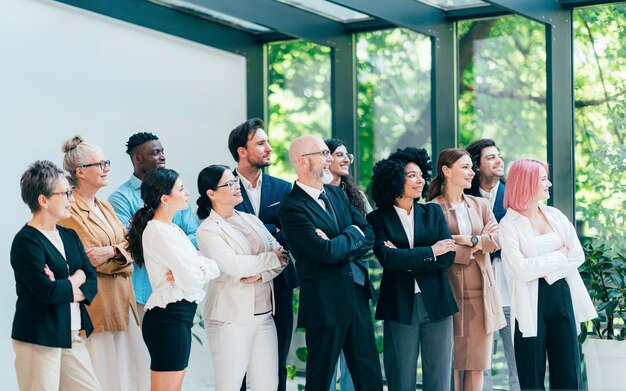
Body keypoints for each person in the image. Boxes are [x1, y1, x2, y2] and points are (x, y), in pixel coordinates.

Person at [278, 135, 383, 391]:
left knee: (369, 374)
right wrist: (351, 235)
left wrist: (342, 240)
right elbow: (323, 251)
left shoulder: (337, 194)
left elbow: (368, 232)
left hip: (357, 294)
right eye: (323, 154)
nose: (329, 160)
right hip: (324, 302)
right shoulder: (291, 208)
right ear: (303, 162)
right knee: (321, 378)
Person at [59, 135, 149, 391]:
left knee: (132, 375)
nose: (106, 168)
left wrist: (112, 251)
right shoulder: (69, 209)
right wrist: (121, 255)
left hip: (123, 302)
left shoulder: (104, 206)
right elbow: (89, 260)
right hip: (99, 307)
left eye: (106, 162)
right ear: (80, 172)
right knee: (104, 376)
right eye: (100, 164)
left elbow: (133, 245)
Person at [500, 159, 596, 390]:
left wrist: (544, 270)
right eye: (543, 179)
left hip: (562, 295)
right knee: (531, 375)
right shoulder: (509, 224)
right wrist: (557, 257)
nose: (549, 183)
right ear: (527, 182)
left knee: (569, 373)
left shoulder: (555, 215)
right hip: (530, 304)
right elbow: (520, 270)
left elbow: (576, 255)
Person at [367, 147, 458, 391]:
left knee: (439, 378)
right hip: (400, 304)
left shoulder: (432, 211)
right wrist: (430, 251)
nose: (420, 181)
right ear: (395, 179)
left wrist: (405, 256)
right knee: (401, 378)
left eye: (421, 175)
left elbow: (448, 255)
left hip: (437, 302)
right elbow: (388, 259)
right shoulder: (378, 219)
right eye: (412, 175)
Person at [195, 165, 289, 390]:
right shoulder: (208, 230)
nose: (237, 186)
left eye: (235, 180)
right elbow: (234, 266)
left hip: (265, 315)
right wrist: (270, 259)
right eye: (229, 184)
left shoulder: (251, 219)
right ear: (212, 194)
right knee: (230, 384)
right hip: (231, 318)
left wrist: (261, 275)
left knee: (267, 385)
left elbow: (283, 256)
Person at [126, 168, 220, 390]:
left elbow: (212, 266)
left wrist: (197, 265)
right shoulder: (157, 230)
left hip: (177, 318)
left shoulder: (174, 230)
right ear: (165, 198)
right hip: (168, 318)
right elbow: (192, 279)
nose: (187, 192)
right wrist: (196, 266)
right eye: (181, 188)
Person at [11, 160, 100, 391]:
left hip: (72, 333)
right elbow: (47, 292)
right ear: (44, 200)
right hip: (38, 338)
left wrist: (68, 284)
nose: (72, 199)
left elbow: (92, 281)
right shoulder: (26, 242)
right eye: (66, 193)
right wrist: (75, 278)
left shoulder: (70, 236)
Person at [427, 148, 505, 391]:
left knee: (476, 365)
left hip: (482, 296)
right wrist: (476, 243)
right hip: (449, 294)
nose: (472, 172)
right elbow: (440, 248)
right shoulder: (432, 208)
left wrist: (466, 240)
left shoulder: (480, 205)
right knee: (451, 365)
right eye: (465, 167)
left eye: (472, 167)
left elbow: (496, 239)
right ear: (446, 171)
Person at [228, 118, 296, 391]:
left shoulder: (283, 188)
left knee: (277, 359)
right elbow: (225, 231)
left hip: (279, 284)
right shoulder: (224, 186)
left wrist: (255, 230)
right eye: (261, 143)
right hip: (240, 286)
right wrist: (271, 229)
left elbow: (291, 232)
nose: (269, 148)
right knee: (239, 363)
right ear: (242, 150)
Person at [108, 131, 200, 322]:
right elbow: (132, 243)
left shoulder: (176, 193)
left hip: (179, 291)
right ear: (138, 159)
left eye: (162, 151)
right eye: (155, 153)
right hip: (143, 292)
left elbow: (195, 234)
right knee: (145, 351)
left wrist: (173, 252)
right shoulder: (121, 198)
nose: (162, 156)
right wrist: (175, 251)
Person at [465, 139, 520, 391]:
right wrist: (485, 238)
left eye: (499, 156)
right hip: (477, 288)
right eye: (491, 157)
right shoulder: (464, 197)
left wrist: (484, 239)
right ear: (476, 166)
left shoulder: (515, 196)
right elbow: (462, 241)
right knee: (480, 361)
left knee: (517, 360)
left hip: (511, 288)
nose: (499, 161)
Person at [324, 138, 372, 391]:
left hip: (356, 281)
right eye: (338, 154)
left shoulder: (358, 196)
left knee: (356, 356)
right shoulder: (312, 194)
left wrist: (337, 247)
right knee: (326, 359)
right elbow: (315, 248)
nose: (345, 159)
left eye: (347, 155)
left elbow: (370, 240)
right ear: (324, 158)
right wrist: (350, 240)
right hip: (325, 285)